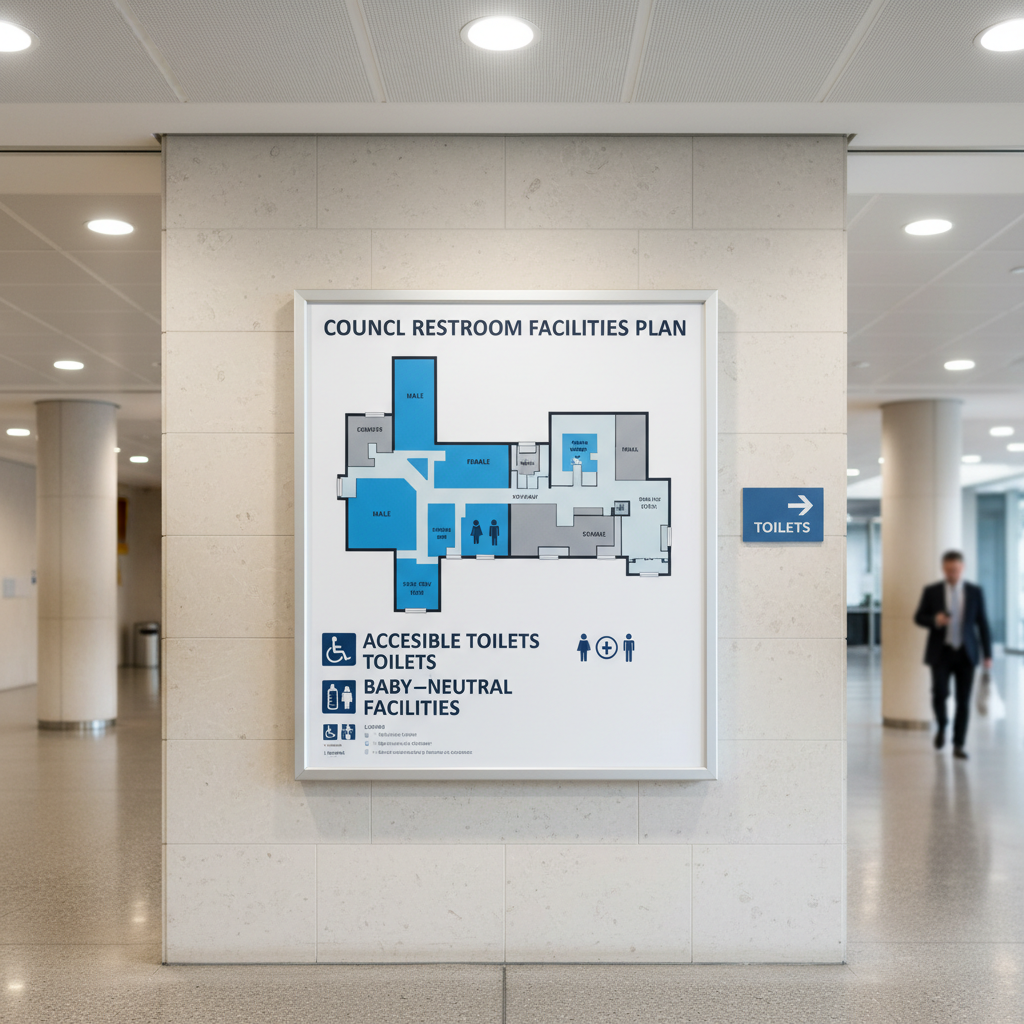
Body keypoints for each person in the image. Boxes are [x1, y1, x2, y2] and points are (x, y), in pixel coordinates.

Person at [914, 550, 992, 759]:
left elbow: (982, 623)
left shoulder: (975, 592)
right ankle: (942, 725)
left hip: (966, 653)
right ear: (943, 569)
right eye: (948, 570)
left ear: (962, 568)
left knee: (963, 701)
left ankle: (958, 744)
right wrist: (935, 620)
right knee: (940, 693)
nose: (952, 573)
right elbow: (918, 617)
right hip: (941, 652)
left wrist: (988, 654)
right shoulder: (932, 591)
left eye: (956, 569)